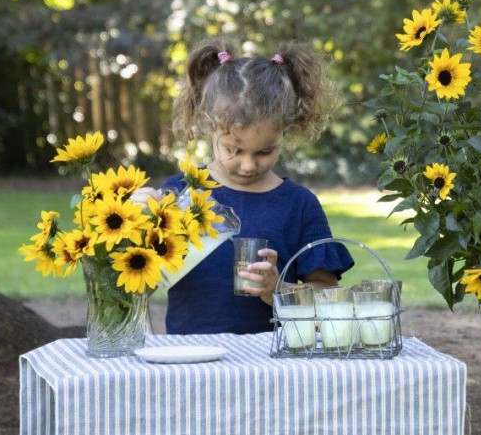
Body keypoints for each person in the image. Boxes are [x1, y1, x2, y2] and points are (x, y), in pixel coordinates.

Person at [131, 39, 354, 335]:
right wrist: (134, 227)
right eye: (233, 150)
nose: (248, 165)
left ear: (285, 131)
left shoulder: (299, 206)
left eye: (265, 151)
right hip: (190, 364)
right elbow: (135, 291)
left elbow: (328, 298)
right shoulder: (181, 194)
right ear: (208, 126)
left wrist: (278, 289)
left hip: (272, 365)